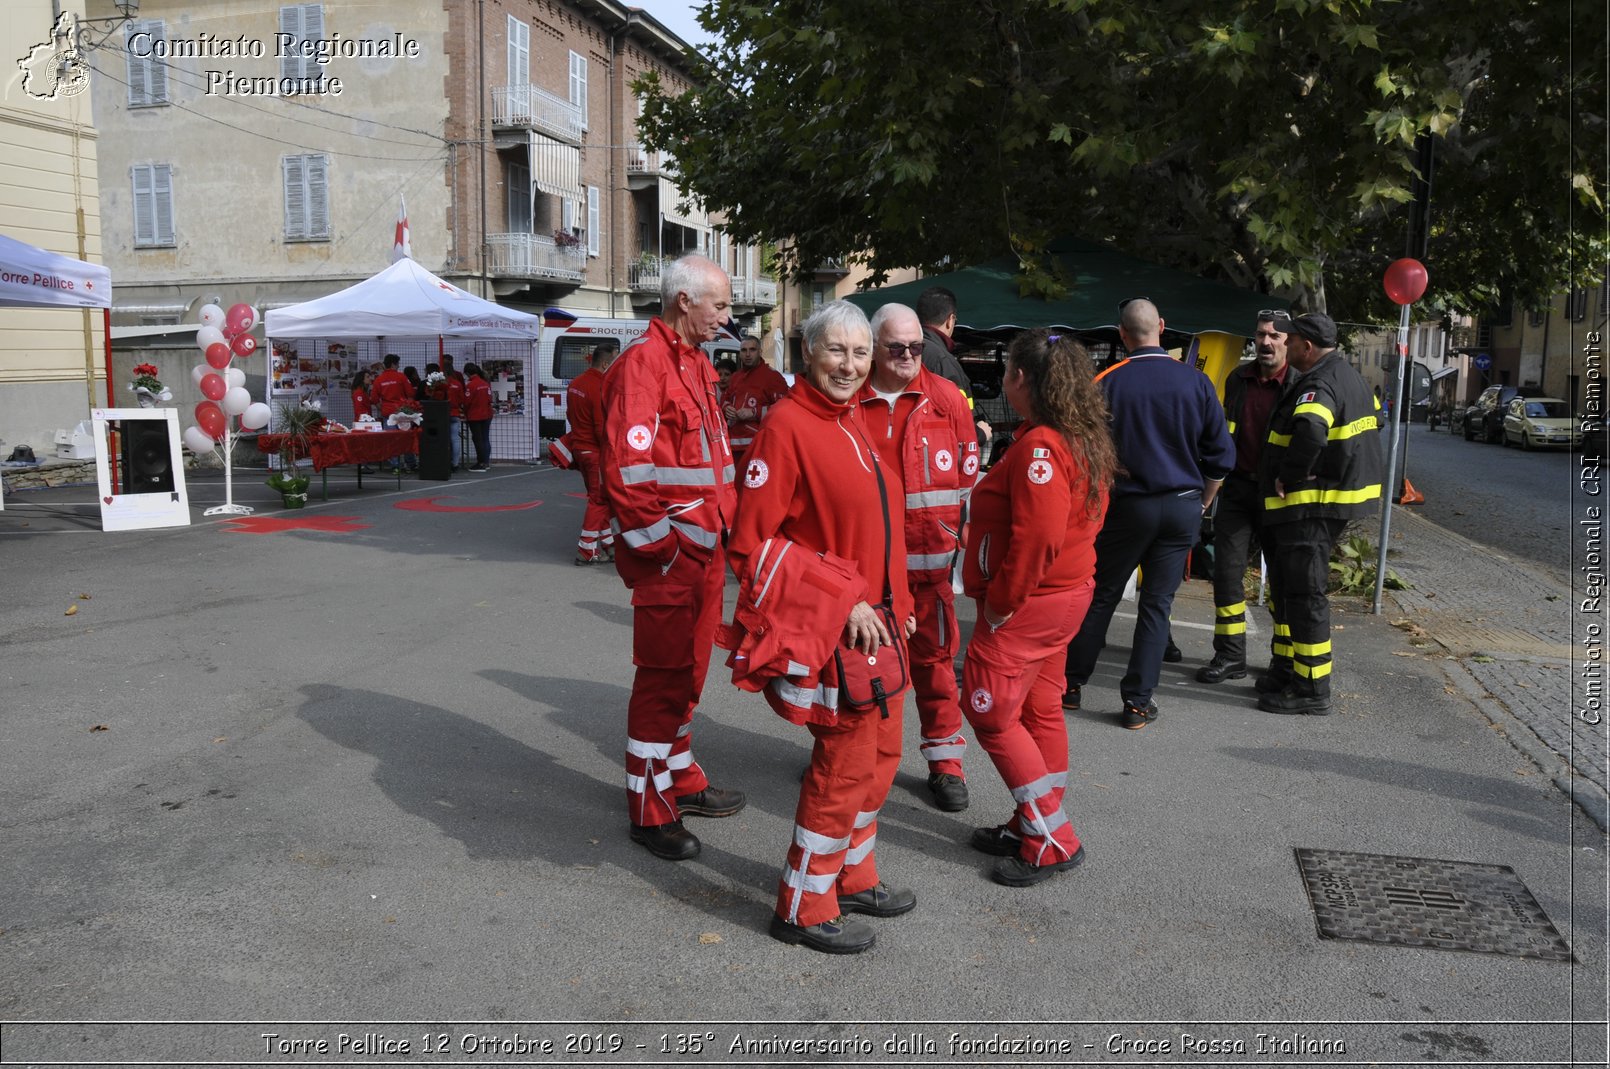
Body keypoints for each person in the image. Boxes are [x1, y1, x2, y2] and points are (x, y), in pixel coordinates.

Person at [728, 300, 917, 955]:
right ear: (808, 353)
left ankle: (852, 874)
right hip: (843, 632)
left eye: (860, 352)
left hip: (885, 627)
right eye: (837, 350)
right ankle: (804, 903)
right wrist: (845, 602)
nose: (850, 363)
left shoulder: (852, 418)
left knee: (882, 759)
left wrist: (898, 601)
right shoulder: (788, 423)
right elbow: (752, 543)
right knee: (843, 767)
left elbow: (879, 523)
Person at [599, 254, 745, 862]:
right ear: (684, 301)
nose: (728, 316)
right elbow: (627, 472)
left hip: (703, 551)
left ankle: (679, 777)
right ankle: (648, 808)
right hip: (673, 555)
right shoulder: (646, 364)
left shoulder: (693, 363)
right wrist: (660, 547)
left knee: (688, 672)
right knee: (661, 678)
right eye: (720, 304)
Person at [963, 329, 1115, 886]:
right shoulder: (1074, 435)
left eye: (1006, 370)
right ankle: (1033, 820)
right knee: (1038, 712)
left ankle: (1052, 837)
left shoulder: (1042, 446)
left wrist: (1001, 603)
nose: (1004, 380)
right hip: (1061, 600)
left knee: (990, 713)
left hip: (1029, 606)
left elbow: (1037, 539)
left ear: (1021, 379)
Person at [1062, 298, 1234, 729]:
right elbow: (1221, 456)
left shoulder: (1106, 382)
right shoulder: (1196, 382)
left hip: (1127, 506)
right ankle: (1138, 702)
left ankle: (1071, 685)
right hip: (1182, 504)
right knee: (1158, 605)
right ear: (1162, 325)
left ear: (1122, 334)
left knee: (1101, 595)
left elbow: (1083, 451)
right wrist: (1204, 500)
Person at [860, 304, 979, 812]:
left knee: (934, 667)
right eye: (897, 348)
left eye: (916, 347)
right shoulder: (849, 398)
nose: (909, 356)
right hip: (868, 572)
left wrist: (959, 543)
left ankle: (946, 764)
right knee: (864, 669)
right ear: (875, 346)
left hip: (929, 569)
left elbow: (968, 478)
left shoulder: (946, 398)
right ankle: (856, 757)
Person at [1255, 311, 1384, 715]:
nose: (1283, 345)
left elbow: (1311, 429)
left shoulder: (1319, 382)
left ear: (1306, 347)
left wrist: (1290, 475)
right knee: (1293, 591)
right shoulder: (1348, 374)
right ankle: (1292, 672)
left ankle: (1312, 688)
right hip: (1328, 501)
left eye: (1289, 341)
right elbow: (1373, 416)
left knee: (1305, 594)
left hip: (1313, 506)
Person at [1197, 311, 1291, 684]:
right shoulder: (1239, 378)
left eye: (1275, 336)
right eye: (1260, 335)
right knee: (1227, 575)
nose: (1266, 342)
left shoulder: (1299, 383)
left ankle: (1282, 662)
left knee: (1283, 580)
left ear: (1289, 340)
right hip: (1238, 490)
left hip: (1280, 495)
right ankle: (1230, 655)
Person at [916, 285, 993, 448]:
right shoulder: (943, 361)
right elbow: (957, 419)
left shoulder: (906, 351)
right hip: (939, 452)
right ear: (950, 320)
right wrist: (980, 434)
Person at [566, 342, 618, 564]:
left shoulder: (576, 383)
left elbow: (570, 416)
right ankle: (586, 550)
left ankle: (609, 545)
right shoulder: (600, 387)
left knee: (599, 498)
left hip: (580, 448)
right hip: (596, 452)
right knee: (599, 500)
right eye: (616, 360)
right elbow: (601, 428)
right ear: (606, 363)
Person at [722, 333, 790, 462]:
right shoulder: (736, 377)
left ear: (760, 352)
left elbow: (784, 411)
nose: (747, 354)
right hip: (733, 446)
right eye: (744, 350)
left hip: (759, 447)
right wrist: (727, 408)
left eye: (752, 350)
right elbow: (724, 400)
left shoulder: (773, 377)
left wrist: (754, 412)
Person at [371, 354, 417, 472]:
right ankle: (411, 465)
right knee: (406, 439)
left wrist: (383, 408)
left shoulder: (379, 379)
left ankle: (395, 466)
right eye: (397, 364)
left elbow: (374, 399)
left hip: (388, 414)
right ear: (393, 364)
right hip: (403, 413)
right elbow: (411, 393)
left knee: (391, 440)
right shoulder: (401, 377)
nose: (399, 366)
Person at [463, 362, 493, 471]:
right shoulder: (485, 383)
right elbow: (490, 399)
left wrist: (465, 413)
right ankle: (486, 462)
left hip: (475, 416)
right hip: (487, 414)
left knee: (477, 439)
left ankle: (480, 464)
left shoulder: (470, 385)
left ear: (467, 373)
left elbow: (466, 402)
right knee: (485, 438)